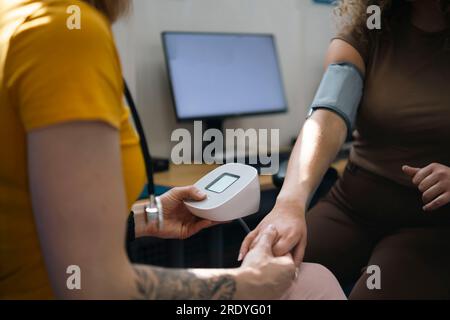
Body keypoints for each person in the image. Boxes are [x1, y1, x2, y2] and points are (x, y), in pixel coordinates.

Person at [0, 0, 346, 300]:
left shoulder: (17, 17)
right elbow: (96, 286)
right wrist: (247, 283)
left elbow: (40, 219)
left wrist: (147, 219)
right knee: (314, 283)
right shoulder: (66, 34)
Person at [240, 0, 450, 299]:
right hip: (354, 206)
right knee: (258, 278)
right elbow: (329, 115)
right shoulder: (371, 29)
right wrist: (289, 204)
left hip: (431, 224)